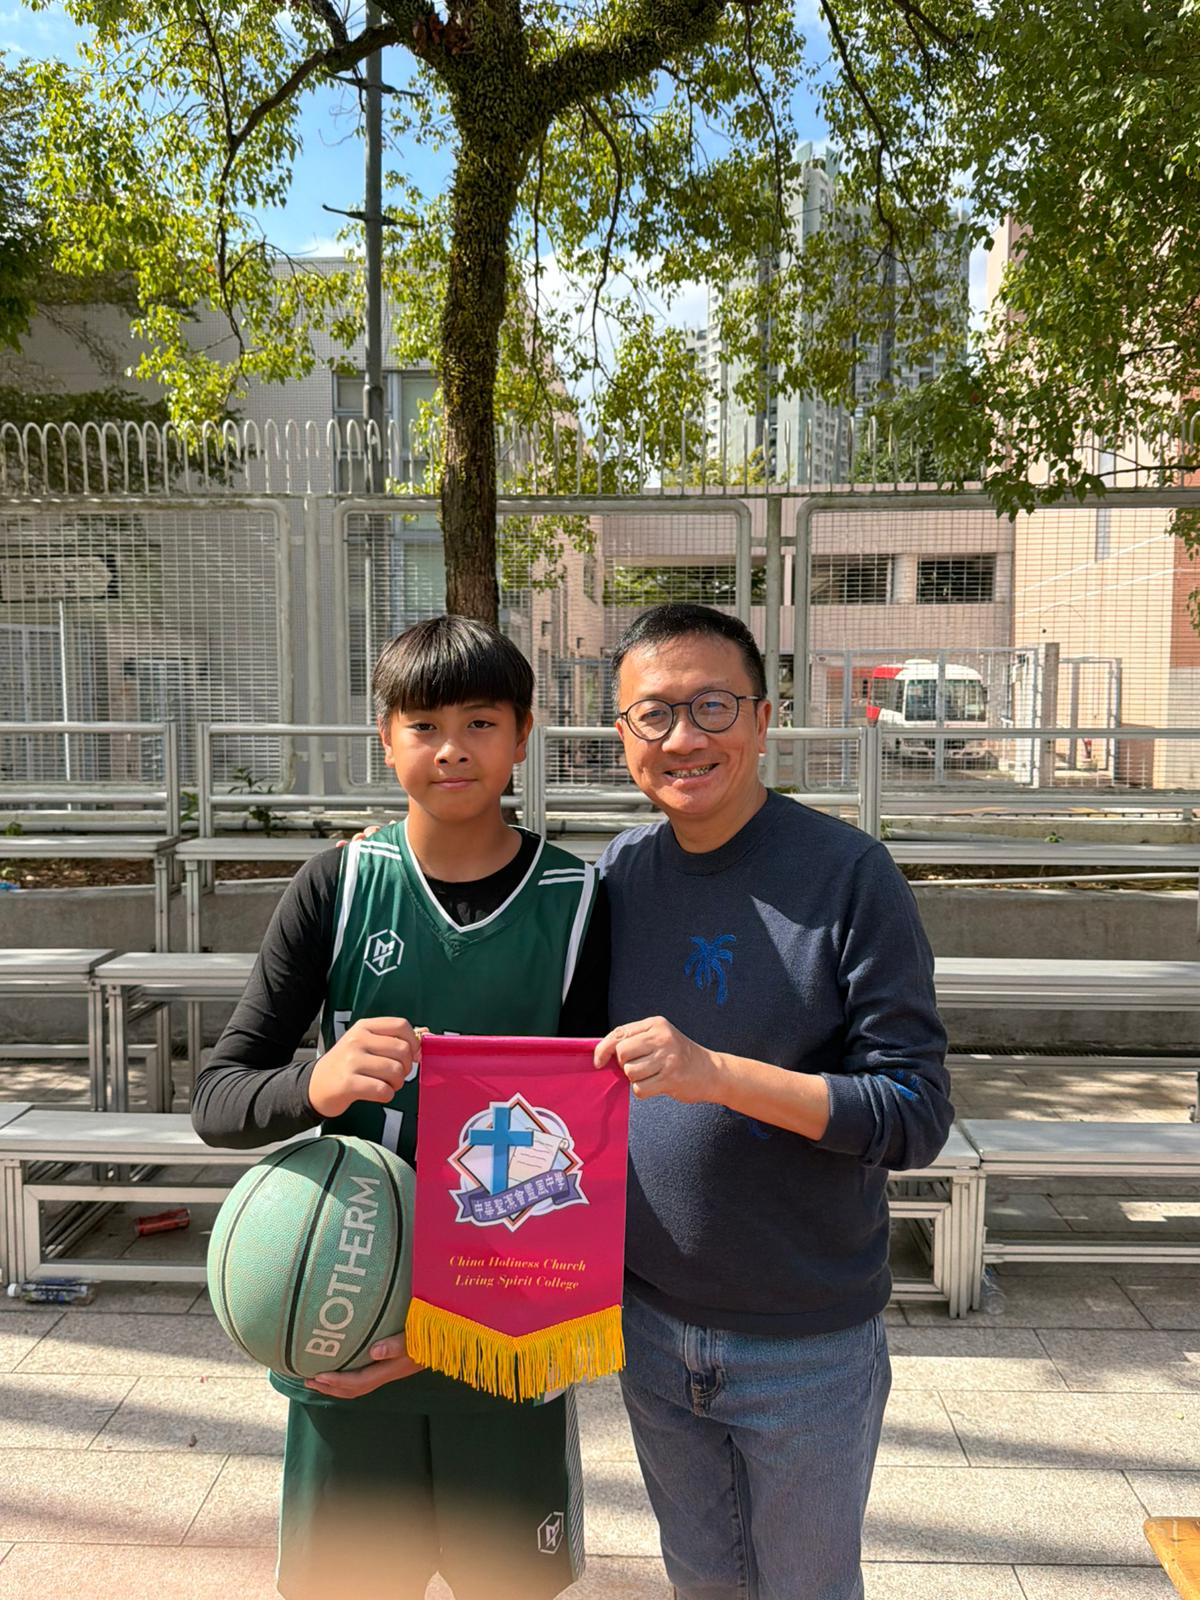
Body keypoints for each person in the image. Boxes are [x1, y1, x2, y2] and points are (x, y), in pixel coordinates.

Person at [191, 614, 609, 1600]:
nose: (452, 748)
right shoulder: (337, 886)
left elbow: (594, 1151)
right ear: (385, 739)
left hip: (505, 1332)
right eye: (424, 725)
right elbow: (219, 1098)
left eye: (480, 722)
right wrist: (314, 1083)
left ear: (524, 735)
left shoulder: (580, 898)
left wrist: (458, 1323)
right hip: (345, 1316)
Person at [592, 602, 952, 1600]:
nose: (684, 737)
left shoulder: (849, 876)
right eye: (654, 714)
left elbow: (914, 1111)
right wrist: (397, 854)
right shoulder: (618, 876)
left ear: (762, 718)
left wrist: (717, 1075)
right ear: (623, 735)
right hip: (650, 1326)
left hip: (808, 1343)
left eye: (713, 705)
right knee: (701, 1583)